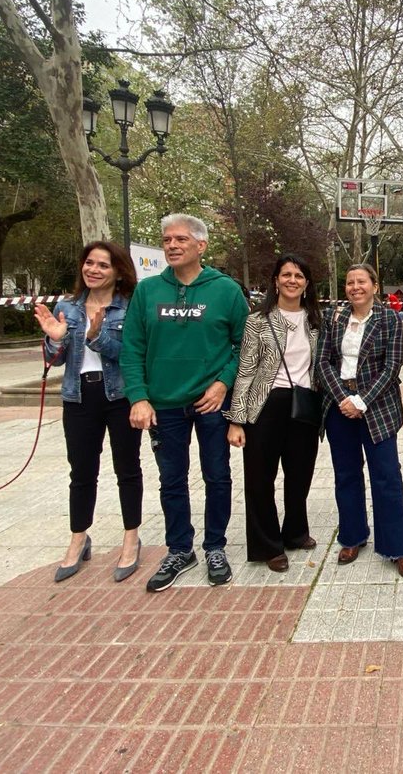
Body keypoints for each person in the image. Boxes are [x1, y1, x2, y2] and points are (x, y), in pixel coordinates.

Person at [121, 214, 248, 592]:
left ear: (201, 246)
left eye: (180, 239)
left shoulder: (225, 290)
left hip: (210, 403)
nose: (172, 246)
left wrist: (224, 383)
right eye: (166, 240)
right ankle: (180, 549)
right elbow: (132, 348)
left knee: (217, 476)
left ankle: (214, 547)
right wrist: (139, 398)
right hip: (164, 406)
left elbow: (246, 345)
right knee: (171, 480)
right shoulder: (147, 292)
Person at [34, 241, 143, 583]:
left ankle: (131, 538)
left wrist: (97, 338)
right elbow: (58, 358)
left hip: (119, 395)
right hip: (78, 397)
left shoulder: (129, 307)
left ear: (118, 271)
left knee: (127, 469)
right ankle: (78, 538)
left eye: (103, 265)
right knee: (81, 472)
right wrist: (54, 339)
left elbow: (130, 354)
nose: (94, 270)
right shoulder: (68, 306)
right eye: (89, 263)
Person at [317, 263, 403, 580]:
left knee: (386, 477)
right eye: (350, 282)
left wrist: (361, 400)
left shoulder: (388, 317)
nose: (355, 286)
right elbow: (322, 361)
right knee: (346, 475)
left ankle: (398, 548)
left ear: (374, 286)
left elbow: (392, 366)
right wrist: (343, 399)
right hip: (338, 405)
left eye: (362, 281)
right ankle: (352, 537)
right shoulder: (333, 316)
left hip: (378, 407)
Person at [226, 253, 322, 573]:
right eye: (286, 275)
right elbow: (245, 371)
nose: (292, 280)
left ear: (307, 283)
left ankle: (295, 533)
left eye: (298, 275)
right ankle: (268, 544)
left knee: (300, 475)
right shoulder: (258, 321)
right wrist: (237, 419)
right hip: (265, 405)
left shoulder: (316, 320)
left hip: (304, 404)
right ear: (275, 281)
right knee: (259, 479)